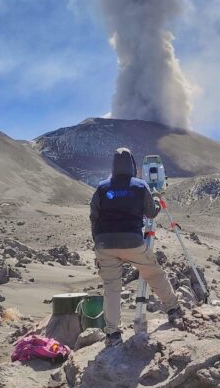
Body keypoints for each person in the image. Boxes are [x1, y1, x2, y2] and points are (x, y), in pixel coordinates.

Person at [90, 147, 183, 346]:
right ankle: (173, 309)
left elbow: (94, 218)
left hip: (104, 243)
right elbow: (150, 213)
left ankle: (113, 333)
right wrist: (157, 200)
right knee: (154, 273)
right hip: (132, 240)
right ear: (132, 165)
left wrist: (97, 243)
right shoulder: (140, 186)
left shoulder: (102, 188)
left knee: (112, 288)